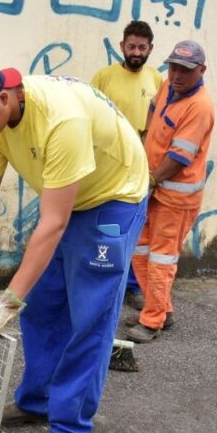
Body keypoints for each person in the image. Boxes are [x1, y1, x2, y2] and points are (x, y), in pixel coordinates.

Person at [0, 57, 149, 433]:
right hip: (71, 195)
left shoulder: (59, 120)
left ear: (5, 96)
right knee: (42, 304)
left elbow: (53, 223)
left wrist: (7, 299)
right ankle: (37, 400)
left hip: (113, 196)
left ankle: (70, 425)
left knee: (90, 312)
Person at [126, 40, 215, 343]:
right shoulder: (168, 86)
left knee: (161, 258)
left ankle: (152, 321)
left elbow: (180, 157)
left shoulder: (199, 106)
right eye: (173, 67)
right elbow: (154, 106)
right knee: (139, 250)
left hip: (175, 197)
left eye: (185, 71)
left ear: (201, 71)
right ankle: (161, 308)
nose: (177, 75)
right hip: (153, 186)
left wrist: (150, 181)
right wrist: (146, 136)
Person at [90, 20, 163, 312]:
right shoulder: (104, 77)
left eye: (142, 47)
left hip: (141, 166)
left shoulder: (157, 79)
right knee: (103, 225)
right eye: (131, 46)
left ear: (150, 49)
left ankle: (132, 287)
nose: (136, 52)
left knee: (134, 227)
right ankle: (99, 281)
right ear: (122, 46)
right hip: (107, 164)